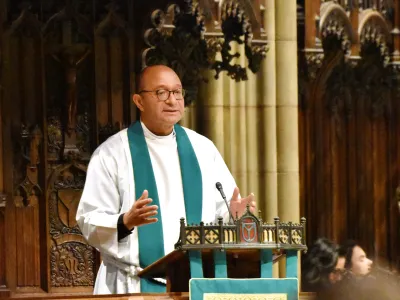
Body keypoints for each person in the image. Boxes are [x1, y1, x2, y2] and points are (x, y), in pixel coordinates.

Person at [76, 65, 256, 294]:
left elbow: (219, 215)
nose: (172, 100)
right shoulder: (112, 153)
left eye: (177, 92)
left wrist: (234, 217)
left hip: (193, 285)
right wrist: (125, 221)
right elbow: (90, 219)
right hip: (131, 285)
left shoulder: (202, 149)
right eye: (161, 93)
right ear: (139, 101)